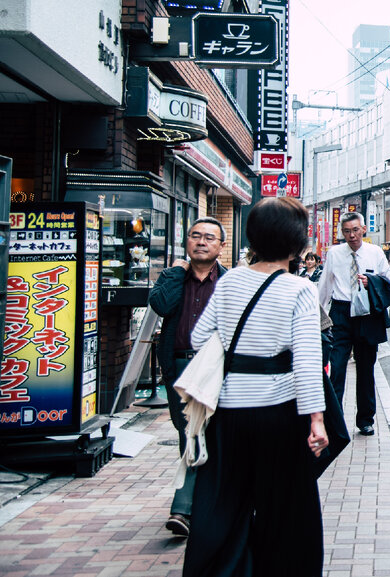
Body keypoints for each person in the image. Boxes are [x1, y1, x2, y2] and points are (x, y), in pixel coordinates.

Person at [182, 196, 327, 577]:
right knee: (286, 507)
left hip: (228, 413)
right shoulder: (299, 290)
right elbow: (308, 362)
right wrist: (316, 419)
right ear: (296, 243)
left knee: (225, 501)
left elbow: (199, 338)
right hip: (278, 413)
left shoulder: (229, 281)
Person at [149, 217, 227, 538]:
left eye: (210, 237)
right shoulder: (172, 277)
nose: (201, 242)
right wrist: (178, 272)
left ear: (221, 246)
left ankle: (184, 508)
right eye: (196, 236)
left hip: (216, 367)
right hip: (180, 367)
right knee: (188, 433)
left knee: (211, 433)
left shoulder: (229, 281)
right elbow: (161, 305)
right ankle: (195, 506)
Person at [317, 212, 390, 436]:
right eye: (347, 231)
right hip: (341, 312)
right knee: (337, 367)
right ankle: (334, 418)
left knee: (366, 368)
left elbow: (387, 281)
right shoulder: (335, 253)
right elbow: (325, 284)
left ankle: (365, 420)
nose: (351, 235)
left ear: (364, 229)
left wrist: (372, 282)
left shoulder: (375, 252)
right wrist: (317, 314)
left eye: (355, 230)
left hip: (366, 313)